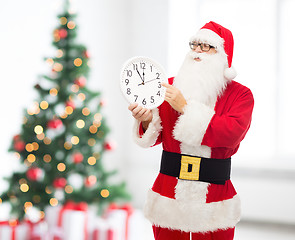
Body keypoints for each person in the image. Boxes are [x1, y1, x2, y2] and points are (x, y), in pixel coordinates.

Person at [128, 21, 254, 240]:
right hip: (169, 196)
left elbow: (231, 135)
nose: (197, 50)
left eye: (206, 46)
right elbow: (155, 136)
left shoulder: (240, 95)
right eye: (194, 44)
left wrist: (185, 108)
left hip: (214, 200)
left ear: (223, 54)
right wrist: (147, 120)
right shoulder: (168, 88)